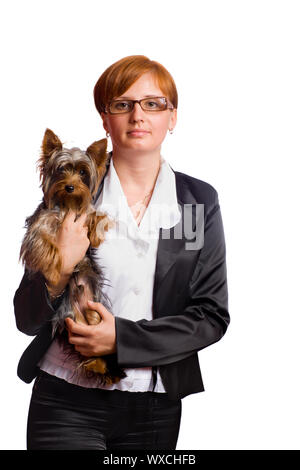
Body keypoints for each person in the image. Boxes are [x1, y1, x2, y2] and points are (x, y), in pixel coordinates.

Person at [14, 55, 230, 450]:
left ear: (173, 116)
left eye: (153, 103)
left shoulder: (196, 203)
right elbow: (26, 318)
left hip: (155, 405)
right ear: (104, 118)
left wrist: (121, 338)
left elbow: (210, 317)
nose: (137, 115)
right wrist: (58, 270)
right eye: (122, 104)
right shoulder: (71, 192)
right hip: (65, 400)